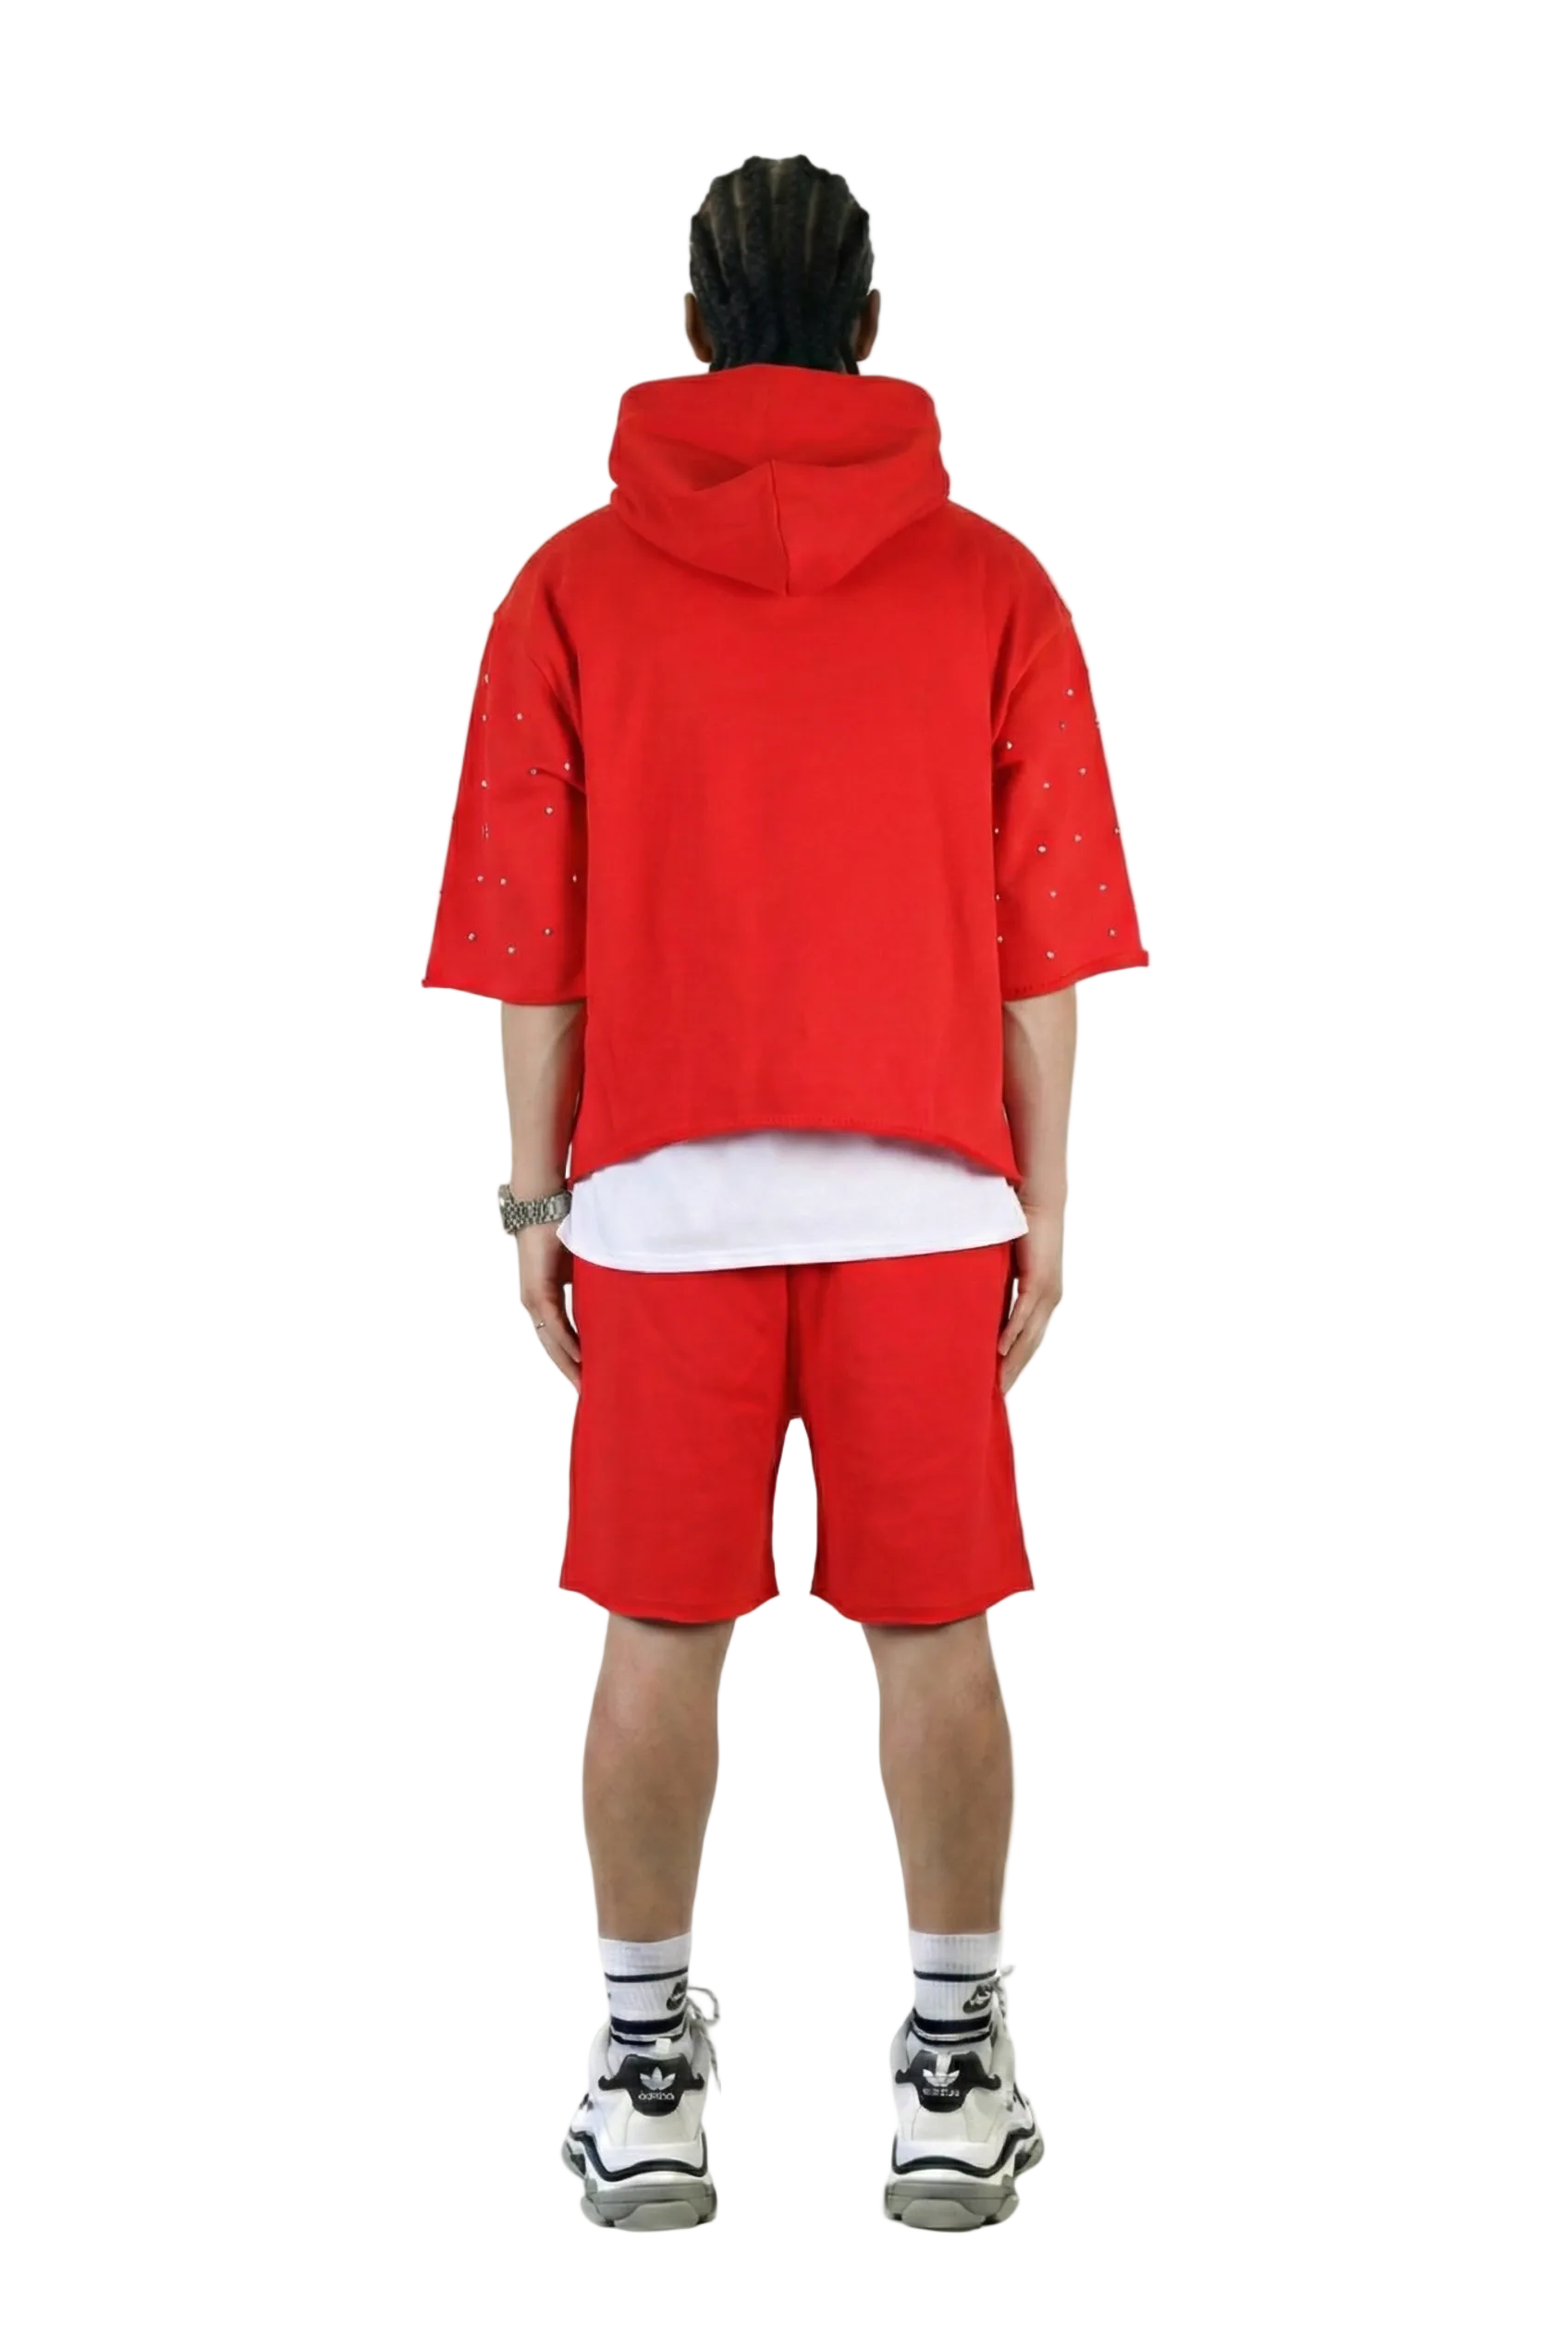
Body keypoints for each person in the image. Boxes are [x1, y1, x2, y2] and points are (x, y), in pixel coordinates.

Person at [423, 153, 1147, 2233]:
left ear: (690, 326)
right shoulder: (994, 585)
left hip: (662, 1200)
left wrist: (535, 1203)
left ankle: (644, 2077)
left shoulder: (569, 587)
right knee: (935, 1632)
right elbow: (1037, 940)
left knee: (660, 1633)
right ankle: (955, 2075)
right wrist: (1045, 1197)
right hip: (926, 1193)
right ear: (868, 326)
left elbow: (536, 937)